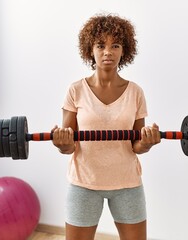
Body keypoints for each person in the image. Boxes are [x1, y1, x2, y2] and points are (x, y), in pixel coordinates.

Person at [52, 13, 161, 240]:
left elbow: (136, 145)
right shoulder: (76, 91)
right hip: (84, 183)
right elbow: (68, 145)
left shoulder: (136, 92)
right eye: (101, 45)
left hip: (127, 183)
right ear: (90, 49)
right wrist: (62, 144)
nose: (108, 52)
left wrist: (147, 143)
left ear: (125, 50)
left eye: (116, 45)